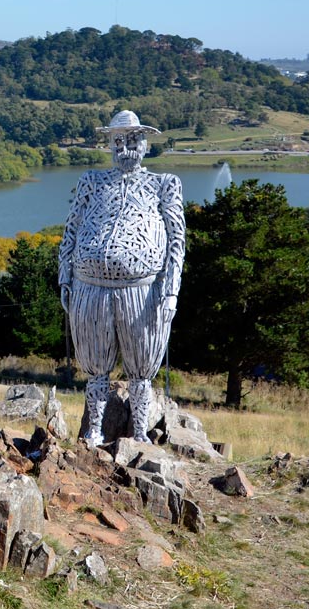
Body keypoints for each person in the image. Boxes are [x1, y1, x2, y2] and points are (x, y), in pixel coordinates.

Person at [58, 110, 185, 445]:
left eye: (132, 139)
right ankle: (95, 431)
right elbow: (70, 230)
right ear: (109, 144)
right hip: (90, 288)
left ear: (144, 143)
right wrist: (65, 278)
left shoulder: (164, 184)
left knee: (141, 369)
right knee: (95, 368)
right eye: (118, 140)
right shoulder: (91, 181)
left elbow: (177, 240)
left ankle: (140, 433)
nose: (125, 148)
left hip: (141, 292)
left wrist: (171, 291)